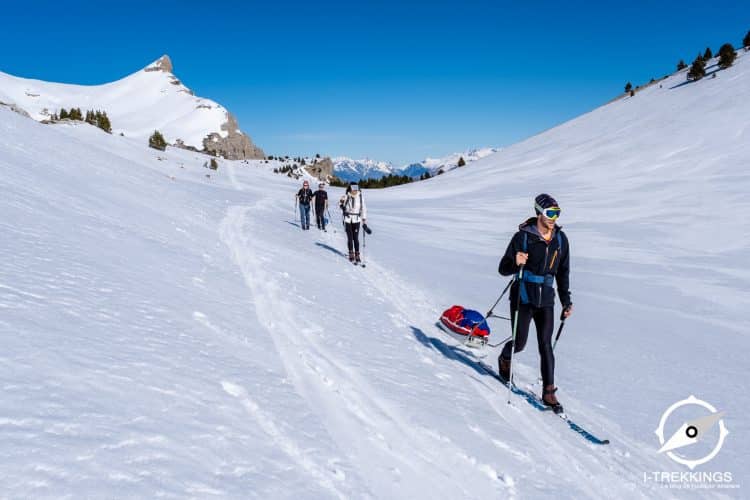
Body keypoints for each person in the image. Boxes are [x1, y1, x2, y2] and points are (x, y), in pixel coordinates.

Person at [497, 193, 573, 412]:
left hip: (546, 299)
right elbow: (503, 268)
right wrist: (515, 261)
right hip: (523, 296)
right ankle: (505, 357)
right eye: (550, 213)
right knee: (519, 343)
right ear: (538, 212)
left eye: (557, 213)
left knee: (545, 345)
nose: (554, 218)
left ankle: (549, 392)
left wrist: (566, 301)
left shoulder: (561, 240)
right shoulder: (522, 237)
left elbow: (563, 273)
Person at [339, 183, 367, 263]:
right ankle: (351, 253)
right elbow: (340, 204)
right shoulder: (346, 196)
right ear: (350, 188)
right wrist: (342, 206)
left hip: (357, 220)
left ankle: (357, 254)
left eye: (356, 188)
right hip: (347, 219)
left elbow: (364, 208)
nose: (354, 190)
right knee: (350, 238)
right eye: (352, 188)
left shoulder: (360, 197)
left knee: (356, 238)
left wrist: (364, 219)